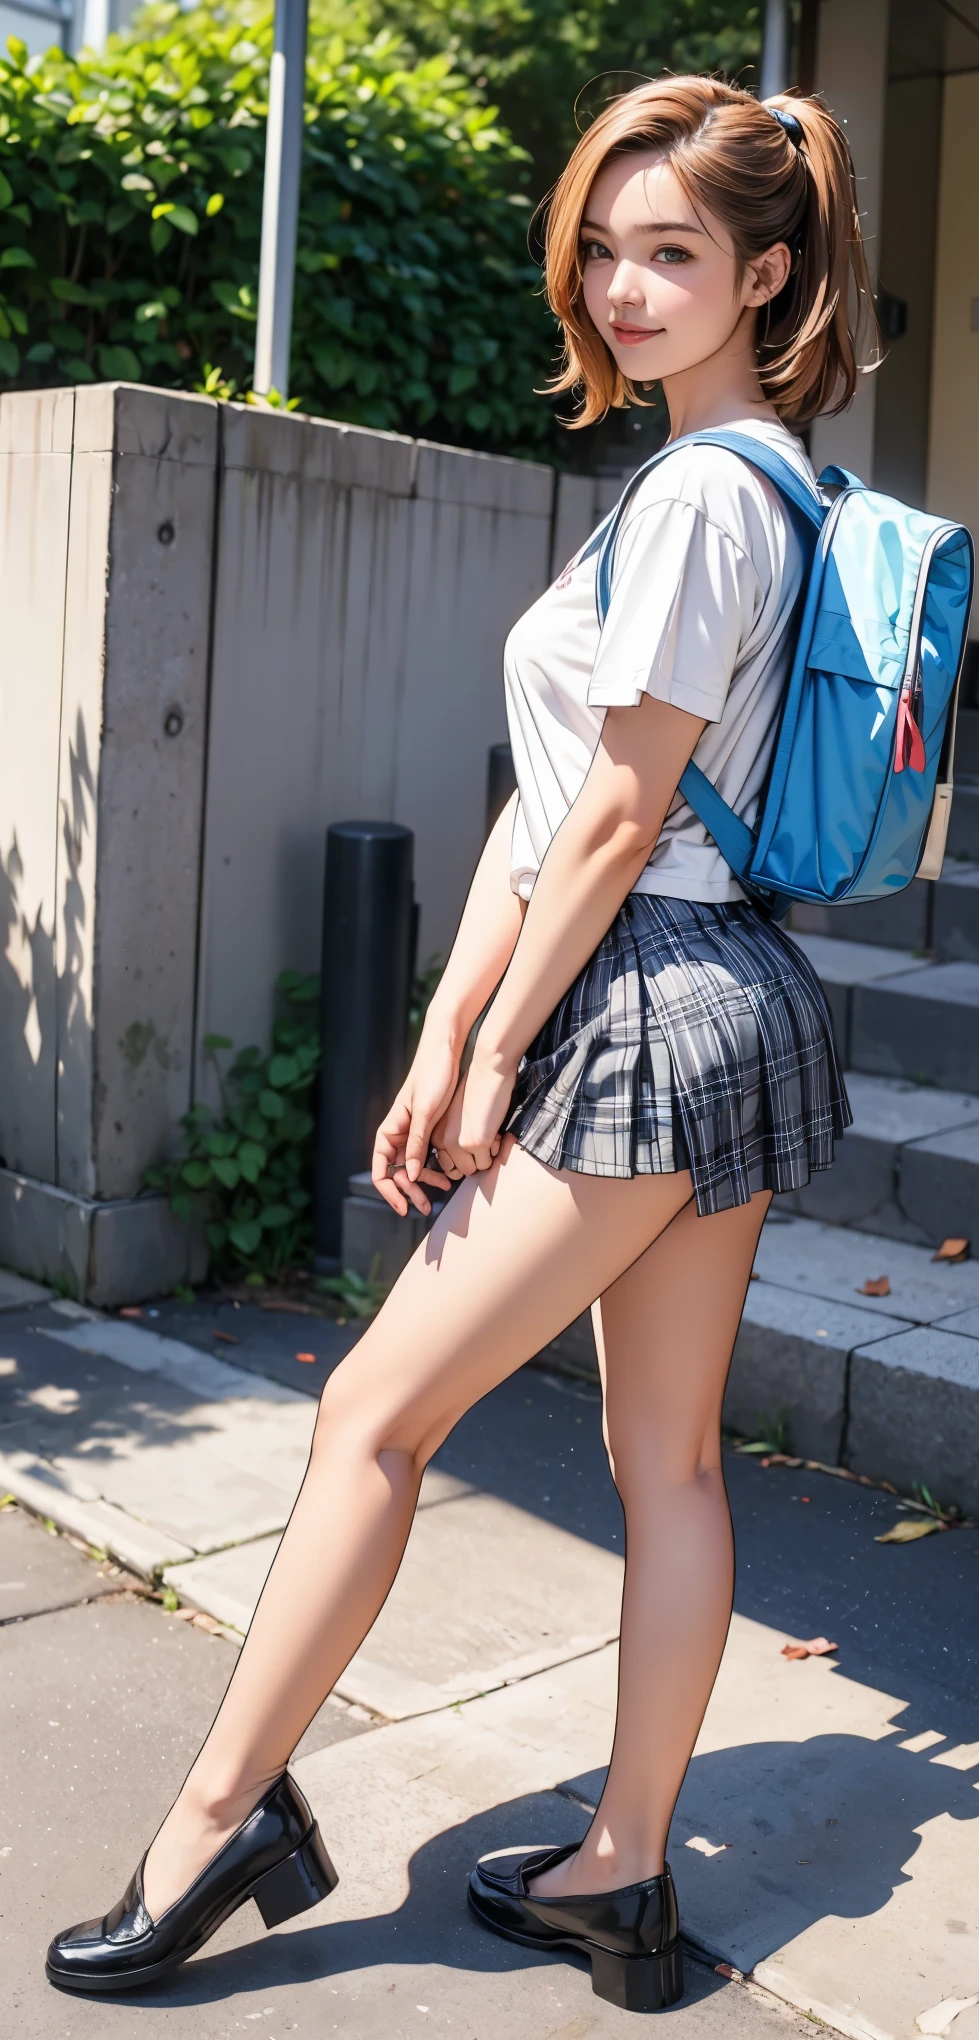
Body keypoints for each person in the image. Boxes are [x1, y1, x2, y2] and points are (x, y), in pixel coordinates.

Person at [47, 74, 872, 2012]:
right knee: (661, 1460)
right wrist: (447, 1033)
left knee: (370, 1421)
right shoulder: (767, 487)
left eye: (671, 252)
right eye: (602, 247)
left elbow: (600, 818)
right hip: (728, 992)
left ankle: (218, 1826)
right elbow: (557, 799)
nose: (622, 285)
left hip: (644, 1010)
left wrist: (491, 1049)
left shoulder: (692, 494)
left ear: (765, 271)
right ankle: (623, 1874)